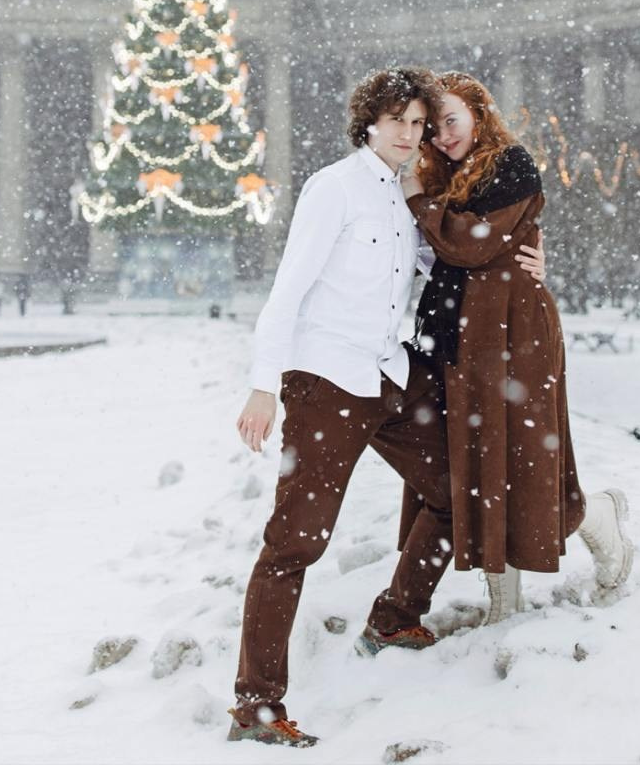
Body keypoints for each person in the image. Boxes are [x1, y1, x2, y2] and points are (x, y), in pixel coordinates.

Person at [228, 68, 546, 749]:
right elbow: (287, 292)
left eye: (418, 124)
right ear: (367, 124)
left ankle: (395, 617)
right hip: (326, 383)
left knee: (453, 494)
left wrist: (528, 264)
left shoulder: (410, 195)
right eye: (397, 121)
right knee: (294, 544)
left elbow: (451, 264)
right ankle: (256, 707)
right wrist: (263, 382)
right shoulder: (333, 188)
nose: (410, 135)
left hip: (388, 374)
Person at [399, 71, 633, 623]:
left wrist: (419, 204)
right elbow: (445, 252)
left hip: (512, 333)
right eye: (431, 127)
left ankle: (595, 522)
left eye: (451, 120)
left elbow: (469, 244)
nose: (441, 136)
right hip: (458, 335)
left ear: (479, 112)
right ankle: (508, 598)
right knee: (474, 465)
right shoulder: (441, 175)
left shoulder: (510, 163)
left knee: (519, 465)